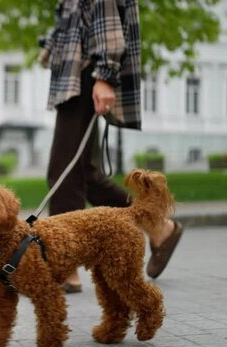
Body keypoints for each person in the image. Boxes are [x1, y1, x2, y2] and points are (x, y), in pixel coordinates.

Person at [39, 0, 183, 293]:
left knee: (64, 171)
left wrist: (104, 76)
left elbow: (106, 18)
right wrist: (50, 48)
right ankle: (159, 227)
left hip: (86, 75)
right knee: (82, 171)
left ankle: (65, 263)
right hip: (77, 74)